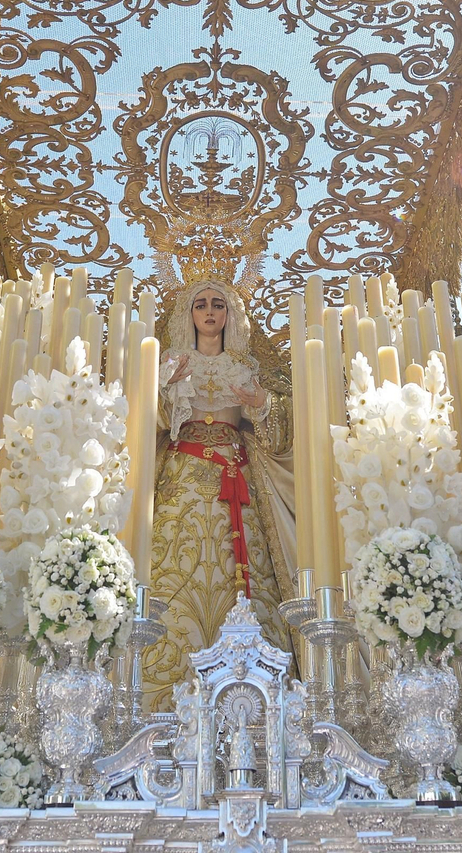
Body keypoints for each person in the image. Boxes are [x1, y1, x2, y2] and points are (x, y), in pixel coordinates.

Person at [141, 279, 297, 708]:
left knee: (236, 571)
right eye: (200, 305)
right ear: (188, 315)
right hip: (181, 475)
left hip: (235, 476)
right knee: (173, 563)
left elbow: (277, 434)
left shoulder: (245, 366)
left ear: (230, 316)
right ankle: (164, 689)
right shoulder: (171, 361)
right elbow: (144, 419)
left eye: (218, 305)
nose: (209, 313)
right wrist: (162, 389)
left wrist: (262, 404)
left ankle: (253, 690)